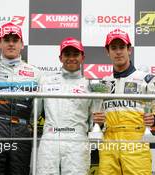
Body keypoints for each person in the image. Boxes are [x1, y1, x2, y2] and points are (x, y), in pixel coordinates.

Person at [93, 29, 155, 175]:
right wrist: (98, 121)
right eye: (113, 48)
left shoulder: (147, 79)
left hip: (136, 142)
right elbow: (97, 116)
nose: (118, 52)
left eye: (122, 47)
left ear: (129, 50)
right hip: (109, 143)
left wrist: (154, 118)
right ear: (107, 51)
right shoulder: (103, 83)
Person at [0, 22, 41, 175]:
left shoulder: (36, 73)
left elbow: (40, 107)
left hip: (22, 130)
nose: (11, 44)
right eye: (6, 40)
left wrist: (27, 124)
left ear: (22, 44)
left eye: (15, 40)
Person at [37, 37, 94, 175]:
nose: (71, 58)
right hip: (50, 139)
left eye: (75, 54)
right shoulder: (46, 82)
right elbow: (34, 114)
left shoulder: (90, 85)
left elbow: (94, 122)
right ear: (60, 57)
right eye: (67, 54)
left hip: (77, 141)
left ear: (82, 57)